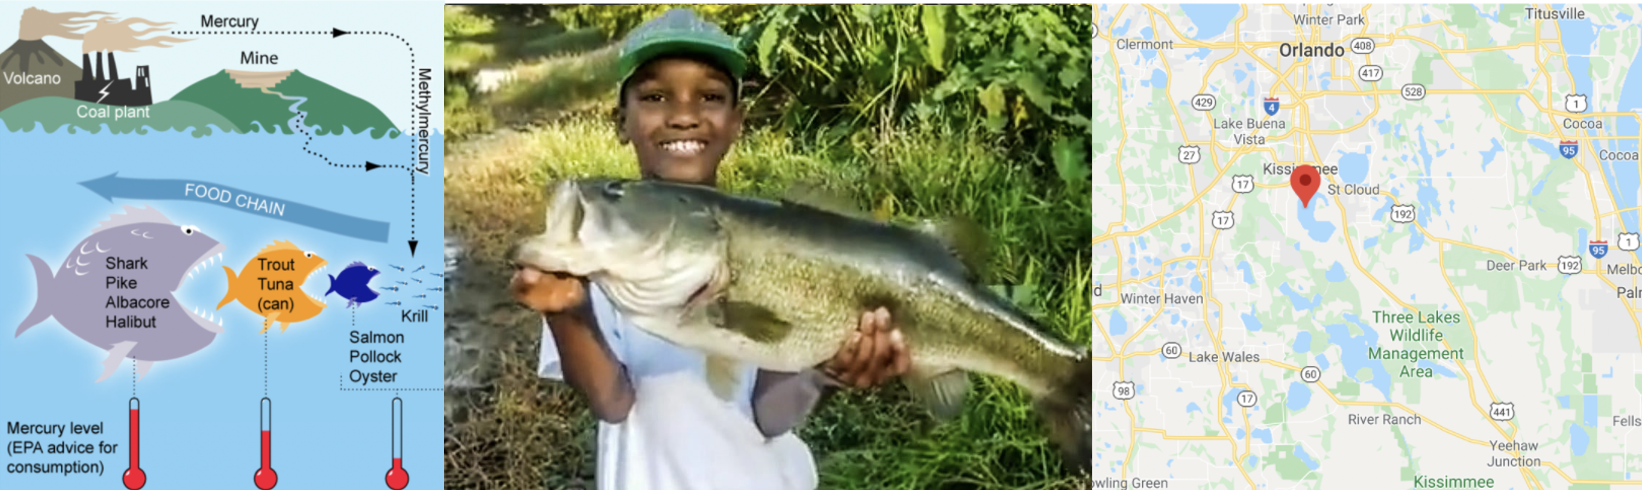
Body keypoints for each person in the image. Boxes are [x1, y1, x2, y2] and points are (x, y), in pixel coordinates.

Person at [508, 9, 912, 490]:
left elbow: (768, 414)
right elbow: (610, 401)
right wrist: (568, 313)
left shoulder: (776, 250)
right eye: (656, 96)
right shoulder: (603, 259)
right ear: (622, 120)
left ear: (736, 122)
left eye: (711, 96)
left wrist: (829, 370)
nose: (683, 115)